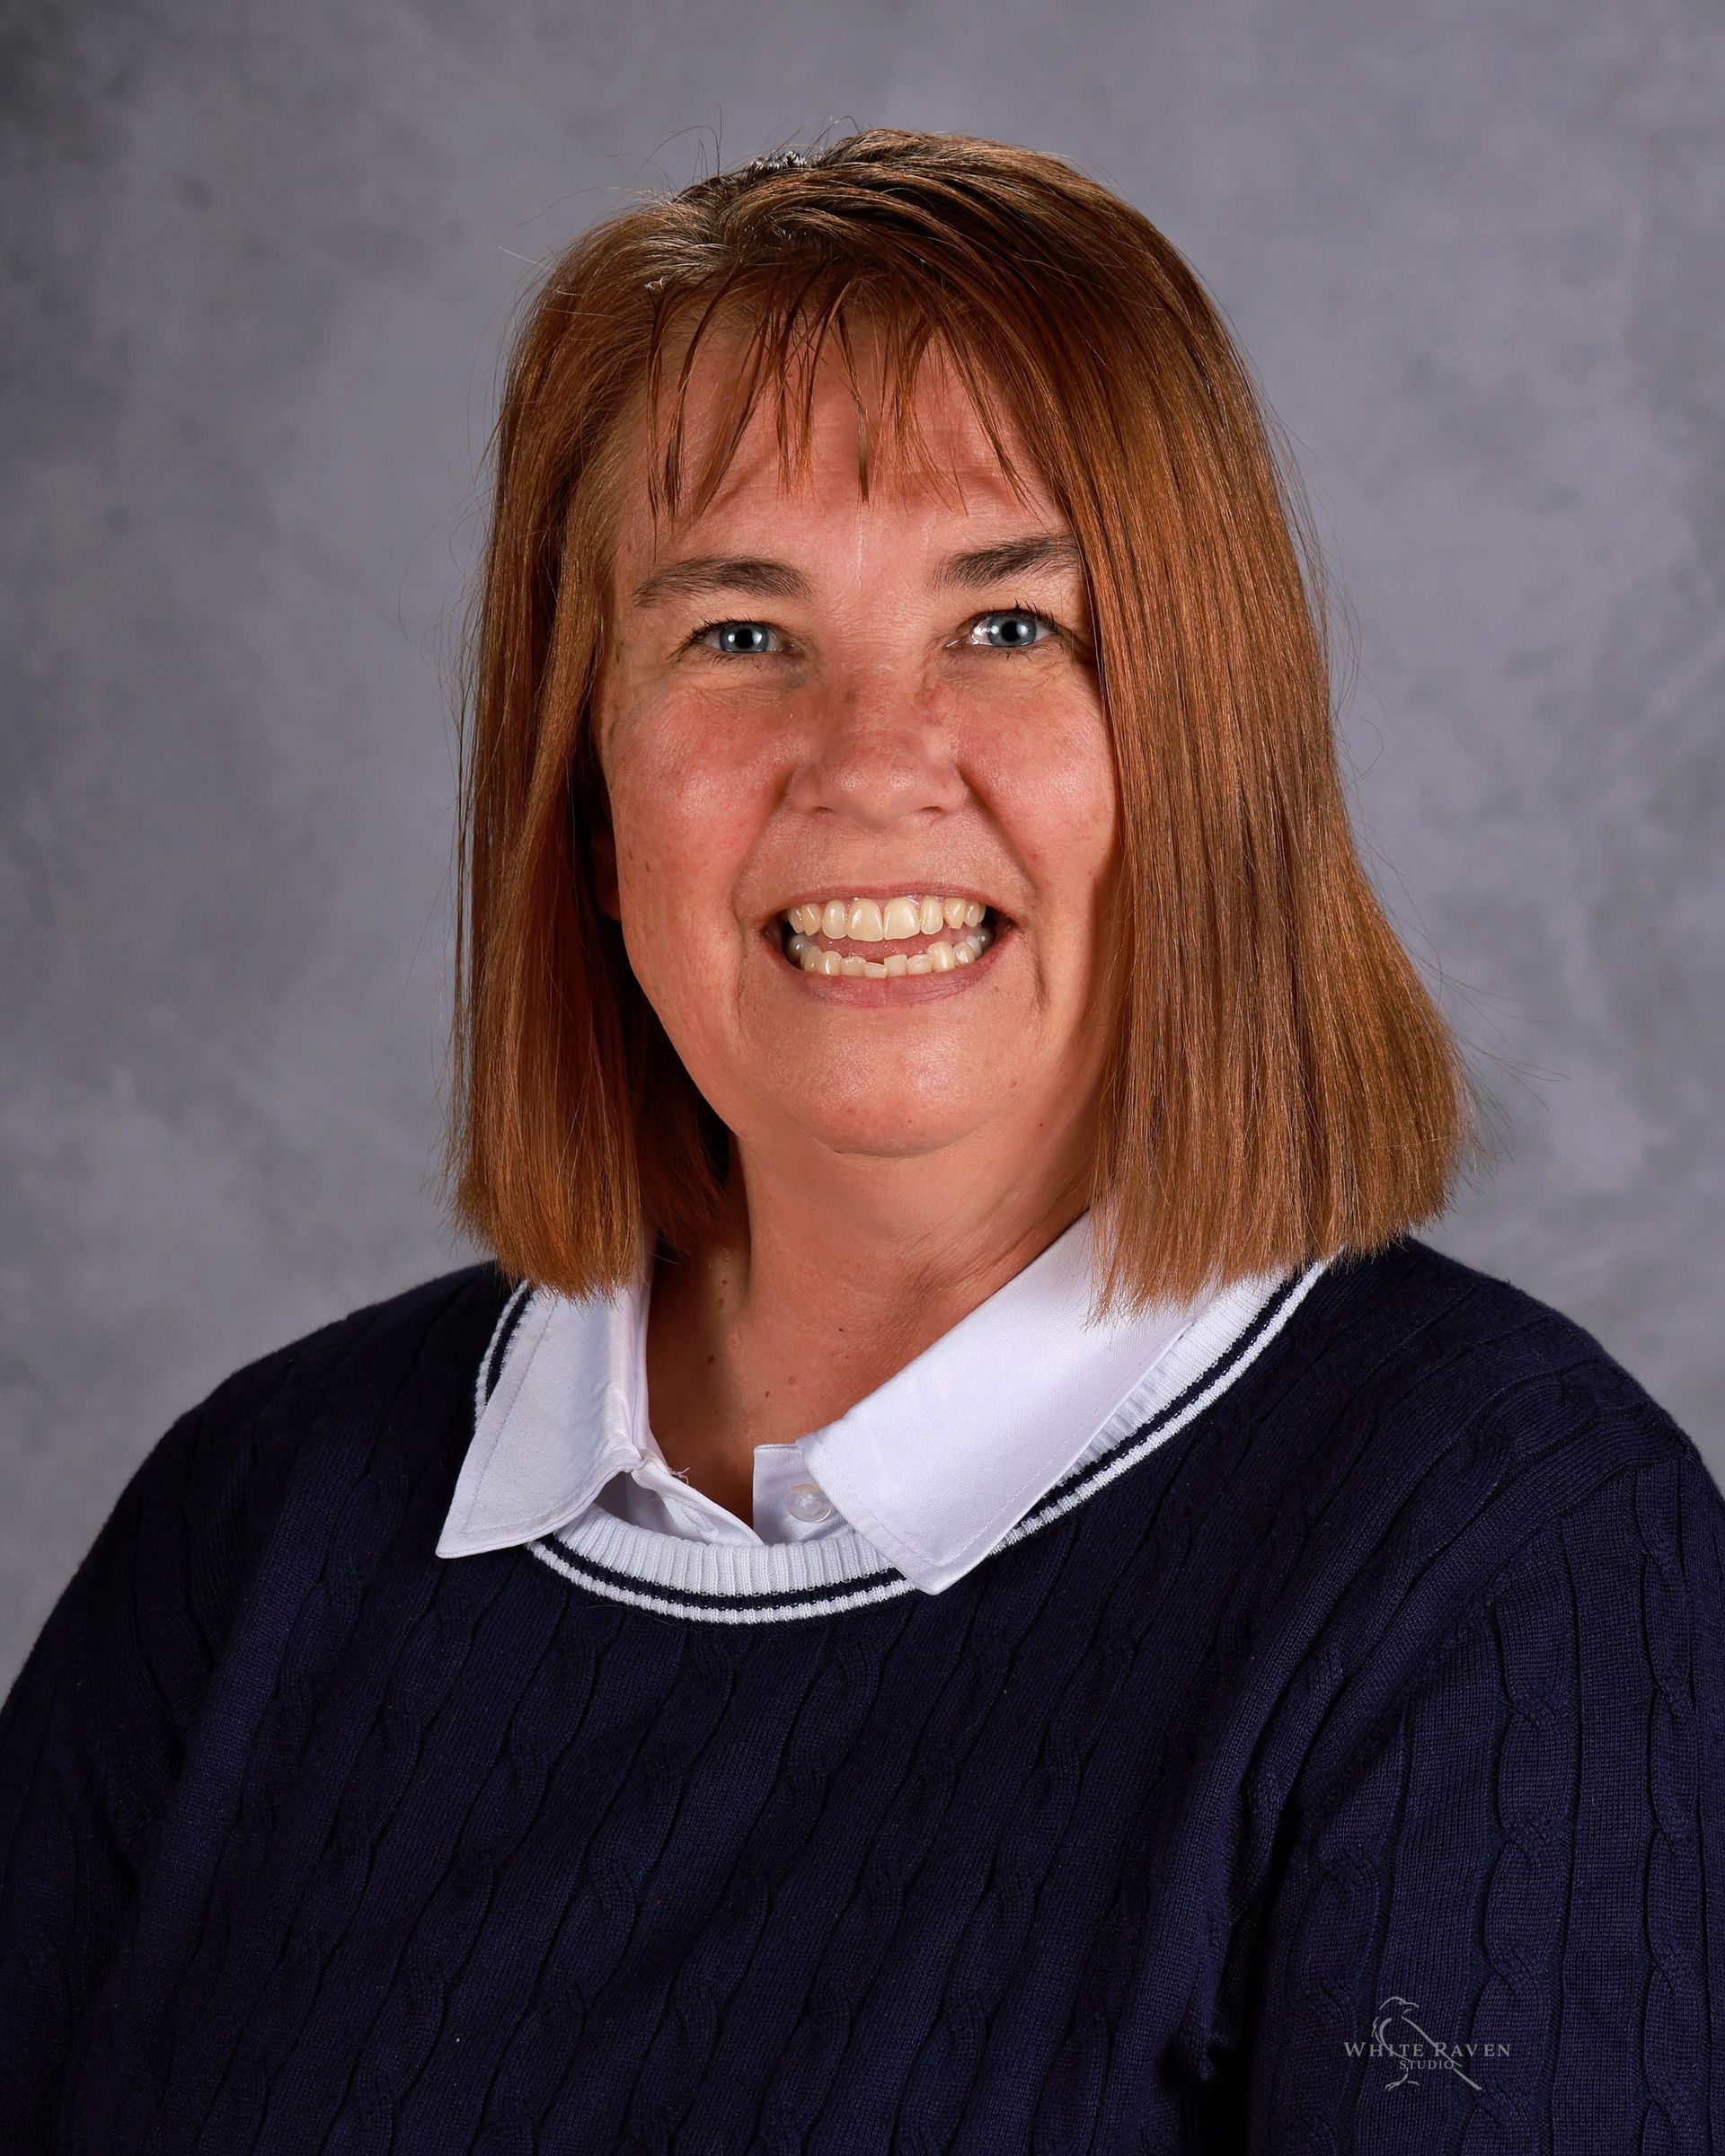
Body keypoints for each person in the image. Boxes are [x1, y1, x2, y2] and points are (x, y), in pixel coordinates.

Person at [2, 127, 1719, 2153]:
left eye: (1013, 628)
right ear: (585, 787)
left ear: (1213, 751)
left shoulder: (1499, 1554)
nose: (874, 763)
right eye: (738, 634)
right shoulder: (257, 1523)